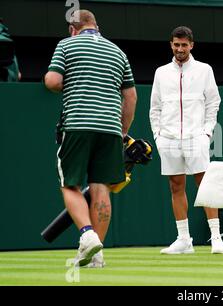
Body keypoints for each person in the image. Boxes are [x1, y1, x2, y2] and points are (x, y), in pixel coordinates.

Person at [44, 10, 137, 267]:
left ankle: (87, 235)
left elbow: (52, 81)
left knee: (69, 185)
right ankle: (97, 255)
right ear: (96, 25)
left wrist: (72, 82)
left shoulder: (67, 44)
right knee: (101, 188)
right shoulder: (118, 52)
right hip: (110, 130)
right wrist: (123, 131)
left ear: (73, 29)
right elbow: (130, 97)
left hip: (78, 125)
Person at [150, 26, 223, 254]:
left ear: (191, 45)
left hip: (196, 137)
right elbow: (155, 107)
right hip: (169, 138)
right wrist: (158, 136)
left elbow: (213, 102)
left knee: (205, 185)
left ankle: (215, 237)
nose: (180, 49)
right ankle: (184, 240)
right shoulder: (161, 72)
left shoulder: (204, 70)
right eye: (176, 44)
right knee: (176, 187)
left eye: (184, 45)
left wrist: (207, 133)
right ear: (171, 45)